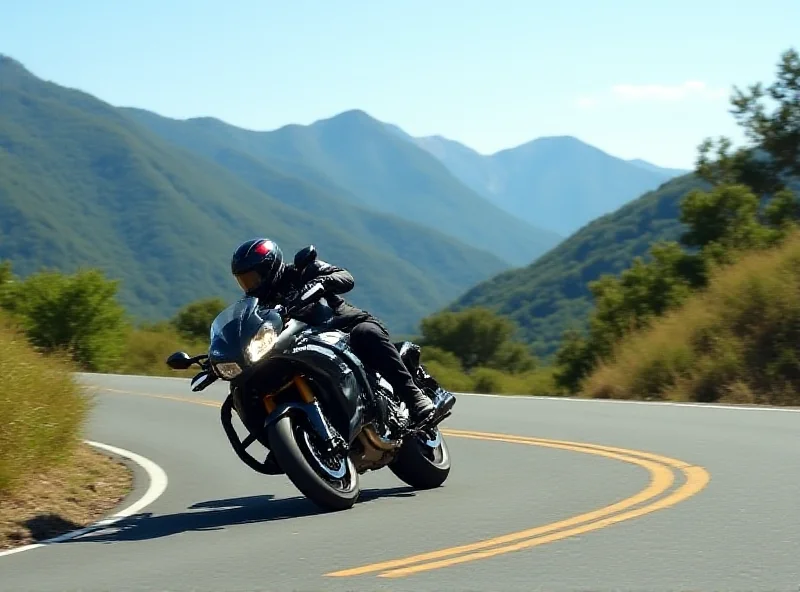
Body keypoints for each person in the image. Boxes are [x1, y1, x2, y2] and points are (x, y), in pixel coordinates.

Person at [230, 237, 436, 427]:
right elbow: (245, 327)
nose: (249, 285)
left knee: (366, 333)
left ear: (269, 268)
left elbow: (346, 277)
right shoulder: (258, 305)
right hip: (302, 347)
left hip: (343, 327)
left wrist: (322, 282)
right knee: (251, 384)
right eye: (243, 281)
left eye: (252, 278)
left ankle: (413, 396)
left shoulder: (302, 271)